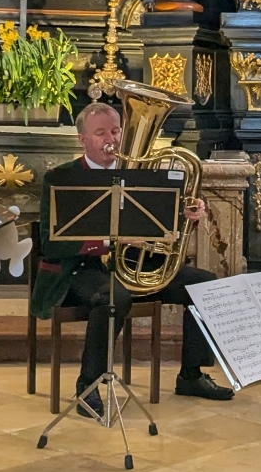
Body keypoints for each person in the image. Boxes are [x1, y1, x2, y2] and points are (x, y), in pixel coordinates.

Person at [30, 102, 232, 412]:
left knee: (205, 285)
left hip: (130, 265)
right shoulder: (61, 177)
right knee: (114, 297)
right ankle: (89, 386)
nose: (110, 139)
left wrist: (187, 216)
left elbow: (162, 228)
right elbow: (50, 244)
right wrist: (109, 241)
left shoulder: (141, 175)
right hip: (77, 269)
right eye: (100, 133)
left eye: (115, 131)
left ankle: (191, 375)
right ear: (82, 140)